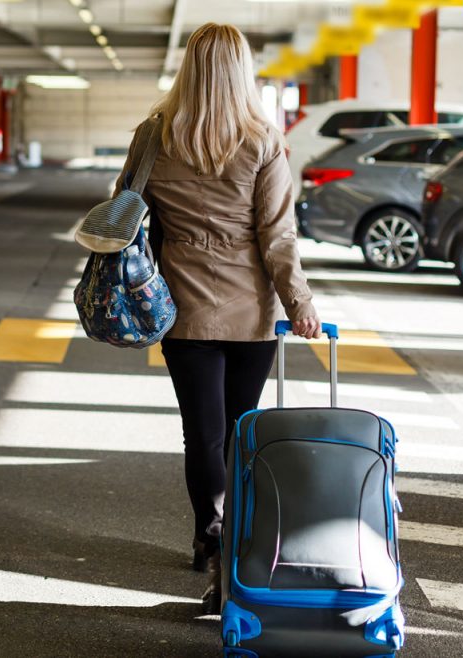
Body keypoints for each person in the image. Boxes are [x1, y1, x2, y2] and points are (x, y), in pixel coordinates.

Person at [112, 23, 321, 614]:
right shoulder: (262, 141)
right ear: (241, 70)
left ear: (189, 67)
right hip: (251, 311)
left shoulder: (155, 137)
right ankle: (238, 544)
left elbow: (126, 212)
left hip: (179, 307)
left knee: (200, 434)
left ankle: (210, 532)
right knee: (240, 434)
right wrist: (300, 305)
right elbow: (278, 237)